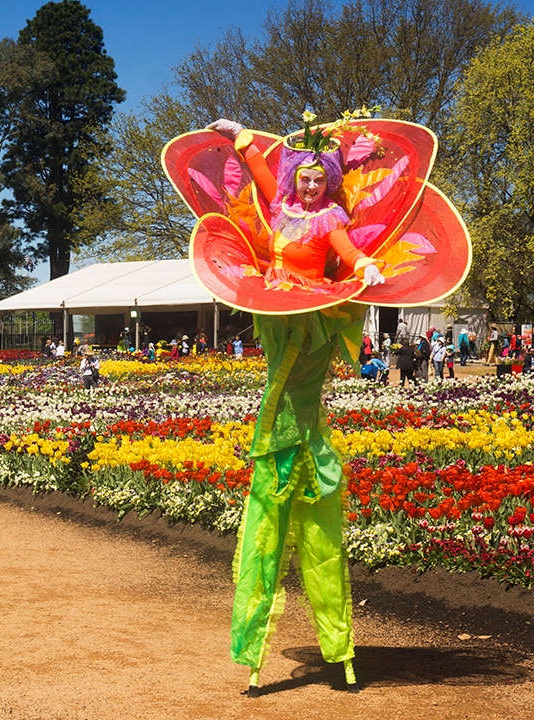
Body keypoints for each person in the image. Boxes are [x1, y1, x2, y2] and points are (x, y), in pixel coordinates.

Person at [185, 109, 470, 696]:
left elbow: (347, 248)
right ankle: (256, 650)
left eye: (320, 179)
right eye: (305, 177)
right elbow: (260, 170)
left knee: (319, 542)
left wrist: (365, 264)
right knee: (264, 535)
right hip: (275, 308)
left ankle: (340, 651)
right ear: (297, 178)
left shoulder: (330, 219)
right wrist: (236, 136)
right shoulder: (281, 206)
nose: (310, 186)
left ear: (331, 183)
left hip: (313, 317)